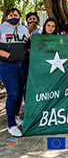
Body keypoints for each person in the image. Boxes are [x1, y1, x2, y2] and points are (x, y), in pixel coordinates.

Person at [0, 8, 30, 137]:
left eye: (16, 15)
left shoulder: (24, 29)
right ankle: (11, 125)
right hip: (7, 66)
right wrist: (3, 54)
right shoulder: (1, 28)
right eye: (11, 15)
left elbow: (28, 44)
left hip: (23, 65)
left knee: (19, 93)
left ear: (19, 16)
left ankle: (16, 118)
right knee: (13, 93)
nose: (13, 16)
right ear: (6, 17)